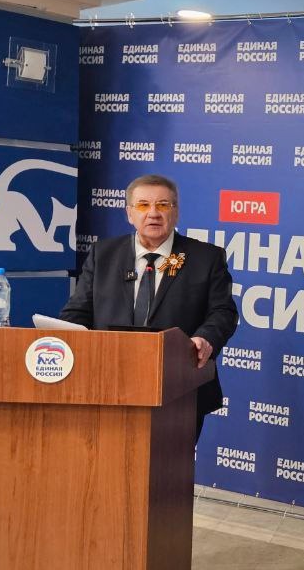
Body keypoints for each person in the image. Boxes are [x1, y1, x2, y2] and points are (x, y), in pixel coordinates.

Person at [60, 174, 238, 440]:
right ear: (129, 213)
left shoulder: (206, 257)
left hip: (179, 388)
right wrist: (63, 335)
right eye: (143, 205)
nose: (153, 213)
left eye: (163, 205)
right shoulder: (103, 254)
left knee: (169, 463)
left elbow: (223, 312)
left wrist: (205, 338)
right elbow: (78, 312)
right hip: (105, 383)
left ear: (176, 212)